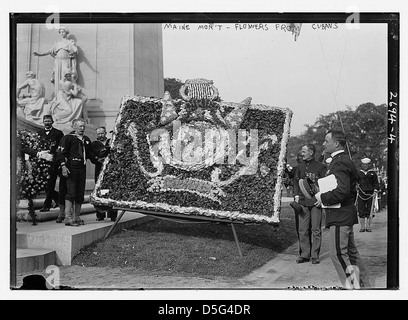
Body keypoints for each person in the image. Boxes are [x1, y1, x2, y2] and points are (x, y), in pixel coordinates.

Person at [314, 130, 371, 289]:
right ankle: (365, 287)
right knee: (351, 254)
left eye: (326, 141)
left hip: (340, 215)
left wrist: (322, 197)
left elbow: (342, 191)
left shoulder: (339, 162)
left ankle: (352, 289)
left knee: (338, 254)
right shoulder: (342, 160)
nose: (324, 144)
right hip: (344, 214)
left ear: (336, 143)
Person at [56, 118, 99, 226]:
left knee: (80, 193)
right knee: (71, 192)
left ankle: (77, 216)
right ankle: (68, 217)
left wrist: (99, 160)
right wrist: (63, 167)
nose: (82, 128)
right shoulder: (68, 138)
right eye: (80, 126)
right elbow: (60, 154)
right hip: (71, 167)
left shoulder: (86, 140)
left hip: (82, 168)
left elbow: (90, 154)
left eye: (84, 126)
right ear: (74, 126)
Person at [293, 144, 327, 264]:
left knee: (316, 229)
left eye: (304, 151)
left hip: (315, 203)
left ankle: (314, 256)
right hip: (302, 202)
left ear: (311, 152)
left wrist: (322, 199)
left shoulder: (321, 167)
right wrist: (296, 196)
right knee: (302, 230)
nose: (302, 153)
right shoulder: (300, 167)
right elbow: (296, 182)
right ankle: (305, 254)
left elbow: (324, 184)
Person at [33, 26, 78, 98]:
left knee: (66, 76)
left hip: (66, 61)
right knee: (58, 79)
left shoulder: (70, 42)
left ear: (66, 32)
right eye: (60, 32)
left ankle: (67, 96)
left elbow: (75, 50)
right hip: (58, 62)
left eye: (63, 32)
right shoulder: (57, 43)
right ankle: (58, 96)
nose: (61, 33)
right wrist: (40, 54)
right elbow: (50, 51)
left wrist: (74, 49)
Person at [37, 115, 65, 213]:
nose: (47, 123)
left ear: (52, 122)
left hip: (53, 162)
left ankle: (46, 205)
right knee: (43, 184)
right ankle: (57, 198)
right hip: (42, 162)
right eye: (45, 121)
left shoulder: (58, 133)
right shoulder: (39, 133)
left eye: (49, 121)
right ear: (43, 122)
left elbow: (61, 148)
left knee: (50, 183)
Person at [90, 126, 118, 222]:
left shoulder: (111, 141)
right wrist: (98, 158)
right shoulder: (94, 144)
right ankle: (100, 214)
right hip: (99, 170)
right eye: (99, 134)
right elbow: (93, 155)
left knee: (111, 191)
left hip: (111, 170)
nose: (100, 135)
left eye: (102, 133)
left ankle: (113, 214)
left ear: (105, 133)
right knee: (99, 191)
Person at [356, 158, 379, 232]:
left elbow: (376, 183)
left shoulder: (373, 173)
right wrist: (356, 186)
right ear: (361, 165)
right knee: (361, 209)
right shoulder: (358, 173)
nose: (365, 166)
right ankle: (362, 227)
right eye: (363, 164)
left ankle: (368, 227)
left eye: (366, 164)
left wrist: (375, 190)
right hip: (361, 194)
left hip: (370, 194)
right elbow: (355, 182)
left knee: (370, 210)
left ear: (369, 165)